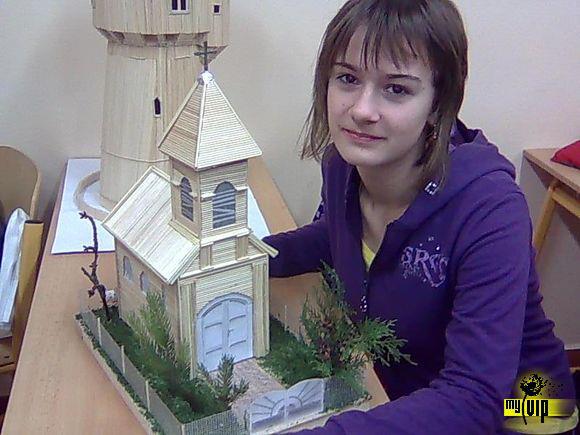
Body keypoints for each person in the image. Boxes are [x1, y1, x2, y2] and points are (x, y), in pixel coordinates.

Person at [262, 0, 578, 433]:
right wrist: (245, 258)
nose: (362, 110)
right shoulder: (342, 166)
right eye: (348, 78)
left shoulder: (490, 208)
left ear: (437, 103)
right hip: (411, 398)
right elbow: (336, 236)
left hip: (523, 411)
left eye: (396, 89)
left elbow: (475, 398)